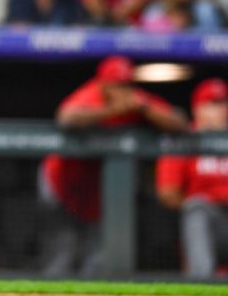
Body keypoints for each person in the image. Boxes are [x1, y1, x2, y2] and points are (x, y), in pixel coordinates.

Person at [41, 55, 187, 277]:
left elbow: (180, 123)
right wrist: (112, 111)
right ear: (103, 83)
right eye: (116, 85)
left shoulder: (138, 100)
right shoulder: (91, 94)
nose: (122, 91)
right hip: (61, 183)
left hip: (99, 194)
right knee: (62, 251)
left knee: (97, 257)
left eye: (126, 85)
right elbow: (66, 118)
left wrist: (145, 108)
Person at [157, 79, 228, 279]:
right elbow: (167, 194)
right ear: (197, 109)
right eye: (212, 105)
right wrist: (203, 200)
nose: (221, 110)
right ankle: (202, 282)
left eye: (223, 104)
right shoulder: (185, 140)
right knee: (196, 209)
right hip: (208, 220)